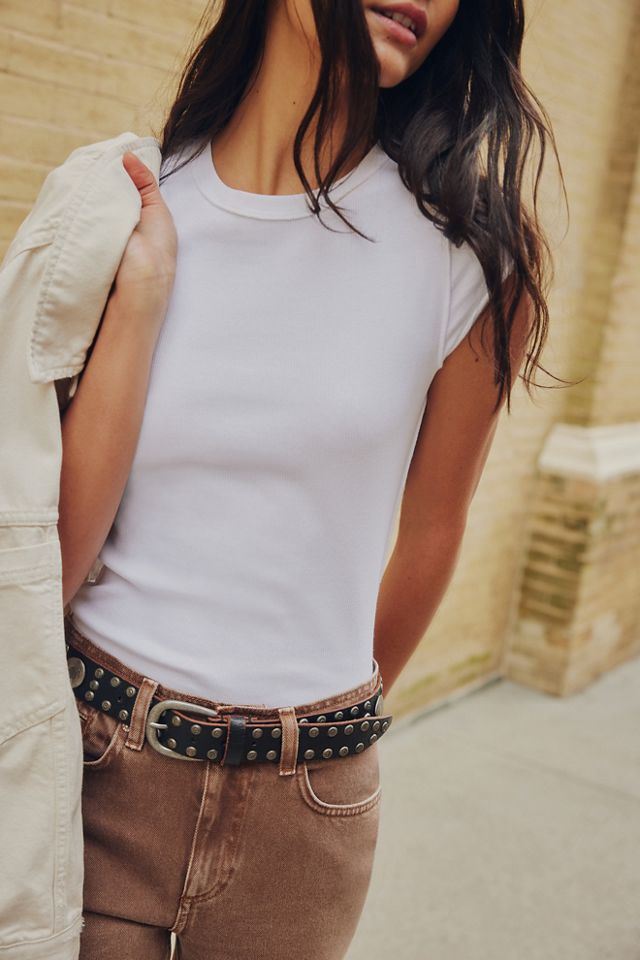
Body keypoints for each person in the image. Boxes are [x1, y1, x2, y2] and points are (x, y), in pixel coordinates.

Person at [59, 1, 562, 957]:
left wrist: (319, 739)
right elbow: (60, 548)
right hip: (96, 769)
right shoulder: (133, 206)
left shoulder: (472, 258)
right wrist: (142, 302)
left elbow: (433, 532)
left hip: (305, 824)